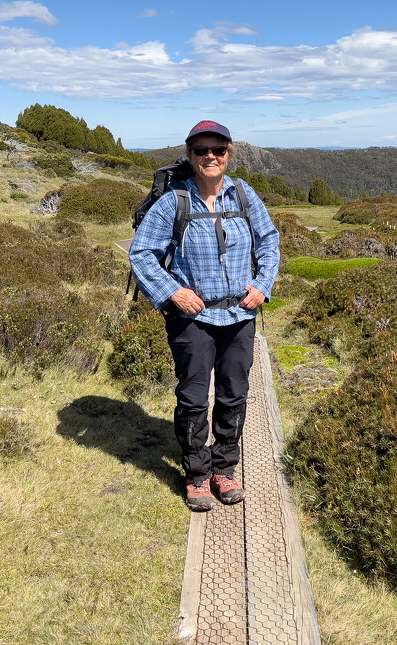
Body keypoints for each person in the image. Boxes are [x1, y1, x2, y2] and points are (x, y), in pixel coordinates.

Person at [129, 120, 280, 511]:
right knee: (194, 398)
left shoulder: (244, 195)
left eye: (218, 150)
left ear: (229, 154)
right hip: (192, 320)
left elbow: (270, 240)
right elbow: (141, 253)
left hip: (239, 315)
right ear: (190, 154)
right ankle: (197, 475)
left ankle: (224, 469)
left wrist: (263, 285)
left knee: (234, 395)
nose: (210, 157)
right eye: (202, 151)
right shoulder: (173, 202)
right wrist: (173, 292)